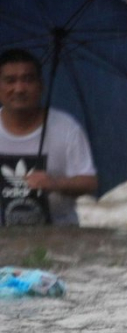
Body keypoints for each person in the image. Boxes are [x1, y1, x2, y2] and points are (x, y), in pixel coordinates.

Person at [0, 49, 97, 226]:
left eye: (28, 79)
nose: (19, 89)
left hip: (58, 236)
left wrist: (55, 183)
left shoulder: (66, 128)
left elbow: (89, 182)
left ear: (41, 86)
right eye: (10, 81)